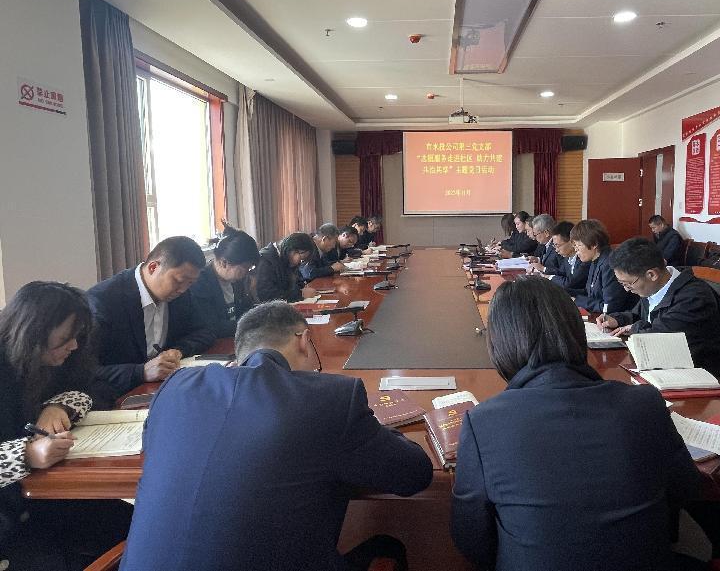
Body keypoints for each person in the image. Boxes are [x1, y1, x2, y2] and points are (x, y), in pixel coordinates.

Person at [120, 301, 433, 571]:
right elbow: (414, 474)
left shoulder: (175, 387)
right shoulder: (332, 399)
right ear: (303, 340)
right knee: (388, 545)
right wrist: (369, 427)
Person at [451, 276, 701, 571]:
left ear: (500, 343)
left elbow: (471, 537)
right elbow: (685, 489)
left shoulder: (483, 423)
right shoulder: (644, 403)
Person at [1, 282, 132, 570]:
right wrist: (25, 455)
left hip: (49, 498)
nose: (73, 346)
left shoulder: (59, 359)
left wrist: (59, 406)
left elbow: (96, 386)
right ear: (33, 332)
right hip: (12, 517)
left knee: (135, 523)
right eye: (65, 338)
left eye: (76, 337)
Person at [88, 236, 215, 397]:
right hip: (120, 395)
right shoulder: (103, 301)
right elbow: (85, 371)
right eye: (179, 281)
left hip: (166, 387)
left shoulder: (181, 294)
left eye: (190, 283)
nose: (183, 289)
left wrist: (178, 350)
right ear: (153, 267)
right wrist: (141, 372)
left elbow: (205, 331)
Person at [599, 237, 720, 377]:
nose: (626, 289)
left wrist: (634, 328)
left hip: (700, 374)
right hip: (666, 365)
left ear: (652, 274)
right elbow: (638, 315)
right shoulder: (657, 285)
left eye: (628, 284)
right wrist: (618, 319)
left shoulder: (694, 297)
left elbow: (660, 337)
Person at [189, 225, 259, 339]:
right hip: (215, 343)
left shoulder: (237, 279)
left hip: (236, 338)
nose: (247, 272)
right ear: (224, 263)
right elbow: (214, 327)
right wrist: (252, 324)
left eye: (249, 267)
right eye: (245, 267)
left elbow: (246, 310)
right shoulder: (200, 283)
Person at [570, 220, 635, 313]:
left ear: (594, 244)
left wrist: (577, 300)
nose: (576, 250)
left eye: (578, 245)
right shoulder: (595, 260)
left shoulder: (610, 264)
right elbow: (590, 292)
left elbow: (609, 307)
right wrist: (565, 293)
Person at [256, 232, 318, 303]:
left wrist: (303, 287)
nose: (299, 263)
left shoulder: (287, 259)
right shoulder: (266, 260)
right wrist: (300, 294)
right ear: (292, 249)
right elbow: (267, 295)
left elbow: (298, 282)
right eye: (301, 258)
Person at [547, 221, 589, 296]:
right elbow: (561, 273)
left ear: (571, 242)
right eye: (554, 246)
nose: (556, 250)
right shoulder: (567, 257)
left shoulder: (584, 259)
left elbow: (570, 283)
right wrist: (542, 274)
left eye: (557, 245)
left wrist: (549, 277)